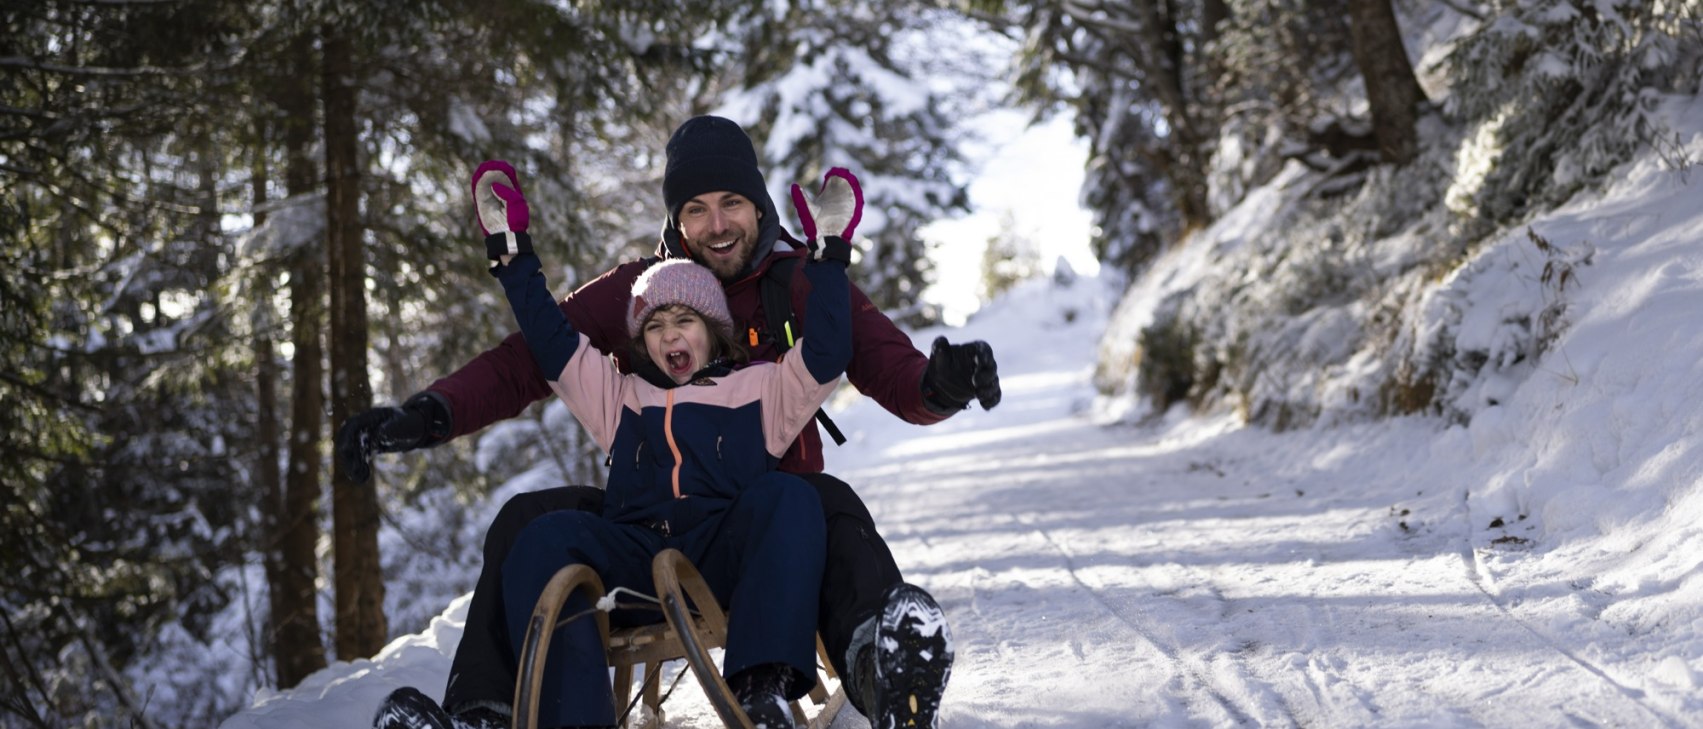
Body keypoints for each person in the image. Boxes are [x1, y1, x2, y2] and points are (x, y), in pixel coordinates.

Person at [344, 116, 1001, 729]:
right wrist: (432, 411)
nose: (715, 224)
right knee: (527, 524)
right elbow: (537, 353)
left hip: (758, 516)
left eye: (731, 203)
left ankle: (872, 661)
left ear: (759, 205)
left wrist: (937, 384)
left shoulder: (795, 287)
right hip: (644, 516)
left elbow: (874, 364)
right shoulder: (642, 294)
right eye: (694, 208)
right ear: (675, 219)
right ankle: (485, 711)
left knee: (815, 500)